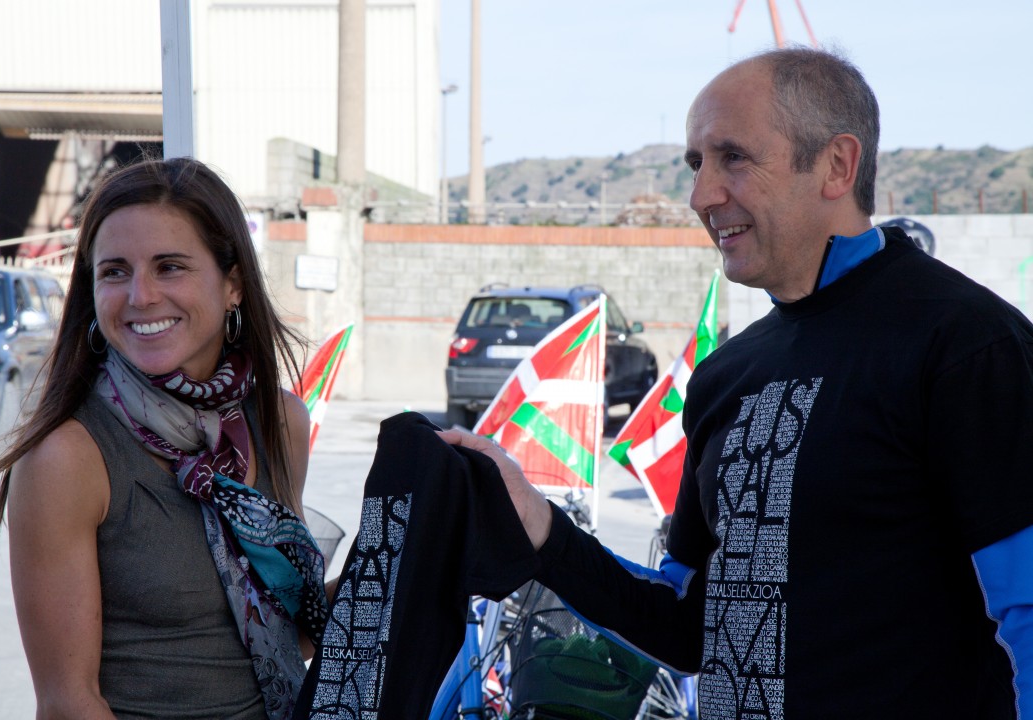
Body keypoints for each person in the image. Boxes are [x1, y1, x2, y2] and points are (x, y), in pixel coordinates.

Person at [443, 46, 1033, 719]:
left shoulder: (967, 345)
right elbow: (688, 624)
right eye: (696, 164)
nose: (701, 196)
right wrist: (539, 525)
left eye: (734, 158)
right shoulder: (726, 374)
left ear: (837, 165)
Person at [0, 157, 328, 720]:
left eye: (169, 267)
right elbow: (69, 703)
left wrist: (413, 543)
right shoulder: (66, 458)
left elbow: (286, 633)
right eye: (115, 272)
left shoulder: (280, 422)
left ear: (233, 284)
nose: (140, 296)